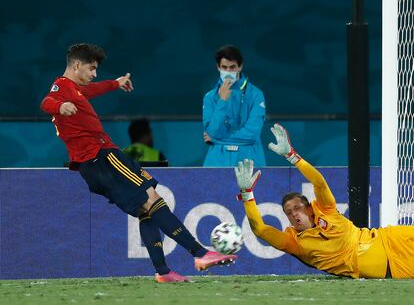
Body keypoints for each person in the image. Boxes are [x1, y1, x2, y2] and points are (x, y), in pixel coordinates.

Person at [40, 43, 237, 283]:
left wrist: (116, 83)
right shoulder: (62, 87)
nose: (94, 74)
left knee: (146, 211)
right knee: (153, 198)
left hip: (91, 165)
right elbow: (47, 102)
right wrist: (60, 106)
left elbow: (93, 89)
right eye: (91, 68)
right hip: (103, 156)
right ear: (77, 64)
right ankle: (200, 253)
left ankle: (163, 271)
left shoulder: (75, 90)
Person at [234, 123, 414, 279]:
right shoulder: (295, 243)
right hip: (391, 266)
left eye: (297, 208)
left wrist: (292, 156)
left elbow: (318, 182)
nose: (293, 213)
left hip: (390, 238)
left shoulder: (326, 209)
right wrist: (247, 195)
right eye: (288, 212)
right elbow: (260, 229)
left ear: (309, 208)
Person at [202, 45, 266, 167]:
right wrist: (222, 101)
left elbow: (251, 135)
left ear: (240, 67)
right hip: (216, 162)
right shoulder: (210, 97)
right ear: (218, 67)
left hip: (249, 160)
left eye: (232, 67)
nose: (228, 72)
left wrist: (216, 140)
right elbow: (212, 131)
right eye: (224, 67)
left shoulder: (256, 95)